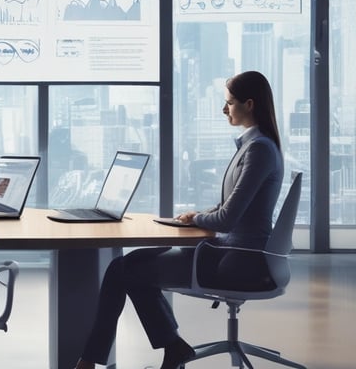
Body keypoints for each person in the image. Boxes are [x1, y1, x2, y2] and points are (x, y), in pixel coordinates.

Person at [73, 70, 284, 369]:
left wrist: (198, 217)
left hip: (237, 260)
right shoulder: (254, 146)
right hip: (228, 252)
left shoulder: (259, 149)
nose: (224, 109)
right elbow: (230, 207)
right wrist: (194, 217)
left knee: (124, 269)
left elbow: (226, 219)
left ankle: (97, 361)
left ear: (249, 104)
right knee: (127, 267)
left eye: (229, 103)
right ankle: (170, 348)